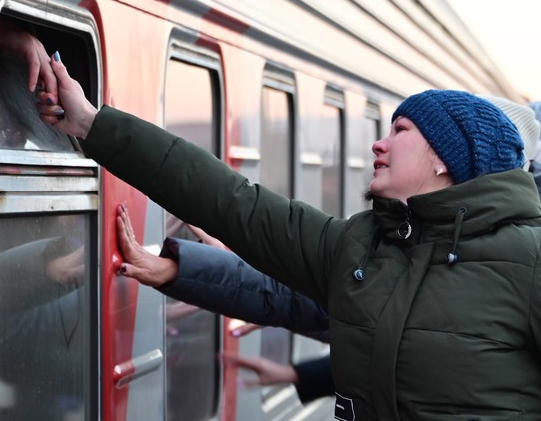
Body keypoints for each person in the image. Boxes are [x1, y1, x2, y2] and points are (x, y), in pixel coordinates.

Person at [35, 48, 541, 419]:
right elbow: (230, 201)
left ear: (444, 159)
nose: (378, 145)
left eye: (401, 131)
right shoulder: (361, 248)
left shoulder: (530, 260)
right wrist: (91, 125)